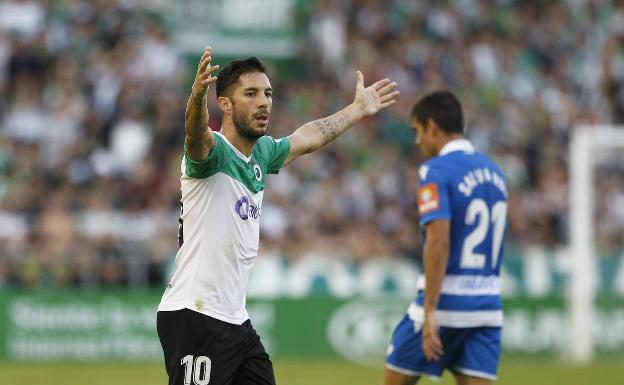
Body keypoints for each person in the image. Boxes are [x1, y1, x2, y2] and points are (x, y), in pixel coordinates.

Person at [156, 46, 399, 385]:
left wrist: (357, 110)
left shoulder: (262, 154)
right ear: (224, 103)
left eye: (268, 94)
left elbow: (309, 137)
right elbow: (196, 135)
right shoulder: (211, 155)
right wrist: (197, 99)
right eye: (251, 93)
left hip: (234, 319)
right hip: (196, 314)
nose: (264, 102)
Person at [384, 91, 508, 385]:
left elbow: (438, 241)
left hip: (446, 305)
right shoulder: (496, 171)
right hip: (486, 307)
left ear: (432, 126)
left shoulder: (435, 170)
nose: (417, 141)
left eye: (417, 131)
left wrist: (429, 311)